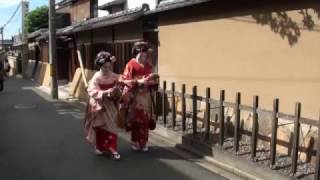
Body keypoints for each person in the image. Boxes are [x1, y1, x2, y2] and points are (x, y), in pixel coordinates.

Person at [120, 41, 159, 151]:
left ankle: (143, 142)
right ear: (135, 54)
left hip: (146, 96)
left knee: (145, 119)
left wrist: (151, 81)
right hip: (135, 96)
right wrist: (138, 82)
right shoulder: (130, 64)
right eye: (141, 55)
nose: (143, 57)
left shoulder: (148, 65)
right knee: (136, 119)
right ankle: (135, 141)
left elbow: (153, 80)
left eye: (145, 55)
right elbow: (124, 80)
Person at [84, 51, 122, 160]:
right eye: (105, 67)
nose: (107, 69)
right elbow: (92, 90)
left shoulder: (112, 75)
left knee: (112, 127)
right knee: (100, 127)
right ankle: (100, 147)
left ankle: (113, 148)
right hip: (99, 105)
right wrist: (105, 92)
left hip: (110, 104)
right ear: (100, 66)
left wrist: (117, 90)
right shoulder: (96, 77)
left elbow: (120, 81)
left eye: (109, 67)